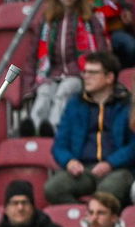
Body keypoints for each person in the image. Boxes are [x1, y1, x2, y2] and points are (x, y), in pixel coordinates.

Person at [22, 0, 108, 137]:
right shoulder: (47, 21)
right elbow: (33, 56)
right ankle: (34, 125)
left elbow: (101, 50)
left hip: (79, 74)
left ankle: (52, 127)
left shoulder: (89, 20)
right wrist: (28, 87)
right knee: (44, 91)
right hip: (51, 72)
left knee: (65, 90)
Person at [45, 52, 135, 203]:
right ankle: (85, 218)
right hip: (83, 170)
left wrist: (110, 163)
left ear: (109, 77)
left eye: (92, 72)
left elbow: (133, 146)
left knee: (107, 192)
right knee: (53, 188)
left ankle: (101, 219)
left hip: (117, 169)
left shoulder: (126, 105)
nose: (86, 76)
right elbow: (59, 145)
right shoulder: (74, 104)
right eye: (84, 72)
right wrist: (69, 162)